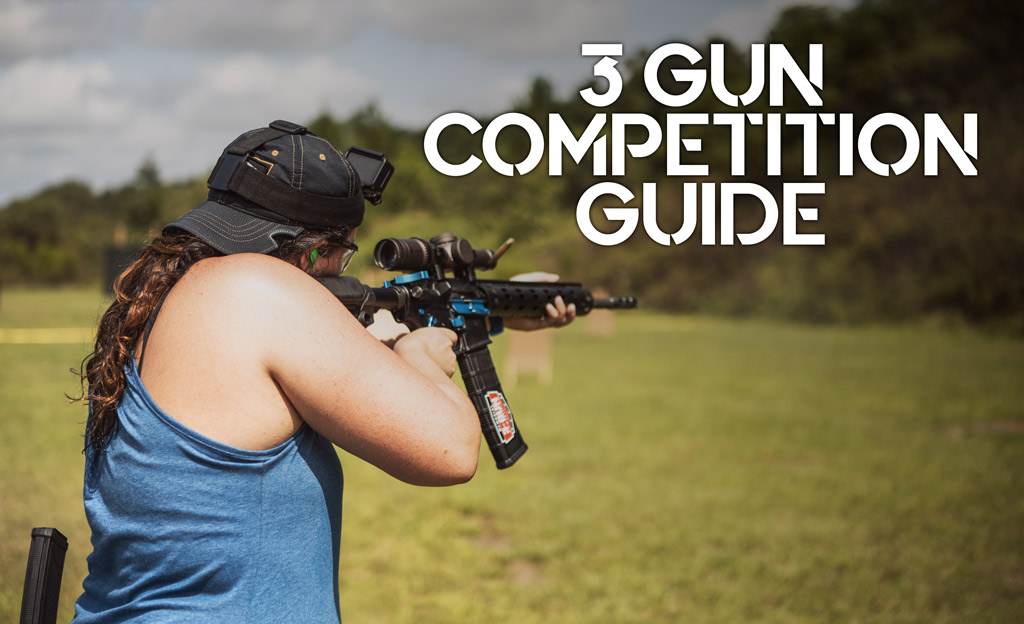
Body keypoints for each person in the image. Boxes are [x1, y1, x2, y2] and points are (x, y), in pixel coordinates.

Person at [72, 121, 574, 623]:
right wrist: (421, 356)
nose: (343, 271)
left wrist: (492, 312)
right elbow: (450, 452)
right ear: (311, 251)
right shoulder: (258, 289)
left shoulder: (168, 299)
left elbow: (356, 342)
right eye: (344, 253)